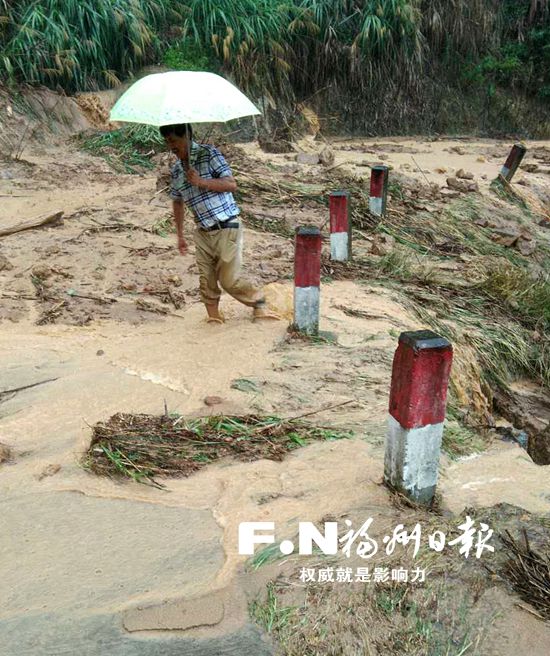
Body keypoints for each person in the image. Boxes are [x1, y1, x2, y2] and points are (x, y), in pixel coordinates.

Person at [160, 123, 279, 324]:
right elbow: (177, 201)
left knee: (229, 280)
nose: (171, 146)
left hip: (227, 226)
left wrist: (200, 182)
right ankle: (214, 320)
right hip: (202, 231)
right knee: (206, 281)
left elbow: (231, 184)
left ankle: (259, 303)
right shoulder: (177, 170)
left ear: (186, 136)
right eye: (167, 142)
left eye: (173, 140)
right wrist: (180, 235)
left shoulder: (210, 154)